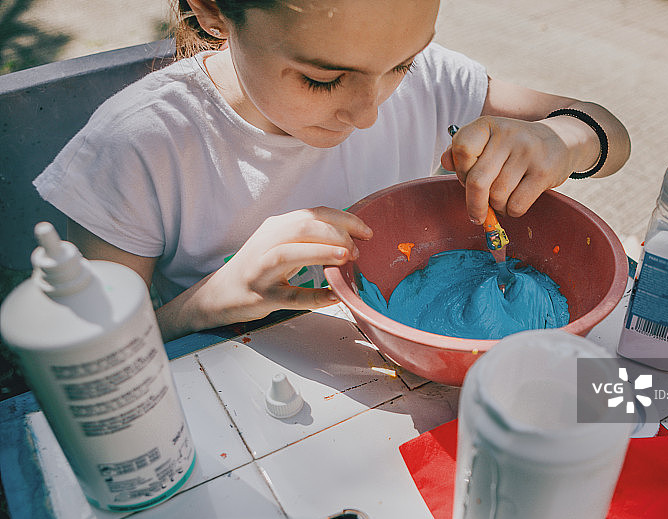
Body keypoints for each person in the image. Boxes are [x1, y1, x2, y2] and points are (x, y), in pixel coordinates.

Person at [33, 0, 631, 341]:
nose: (369, 114)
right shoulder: (139, 146)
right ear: (213, 11)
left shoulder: (435, 82)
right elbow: (90, 354)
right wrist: (205, 303)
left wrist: (562, 140)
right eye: (323, 79)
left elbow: (610, 132)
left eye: (402, 64)